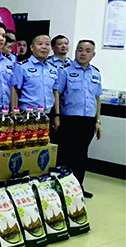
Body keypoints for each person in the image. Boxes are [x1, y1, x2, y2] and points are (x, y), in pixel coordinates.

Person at [53, 40, 102, 198]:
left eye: (87, 51)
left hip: (88, 120)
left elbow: (97, 98)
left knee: (81, 155)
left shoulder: (96, 73)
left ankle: (78, 187)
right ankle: (62, 189)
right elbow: (57, 93)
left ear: (93, 55)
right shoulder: (65, 71)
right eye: (80, 50)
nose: (83, 53)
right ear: (75, 51)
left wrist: (98, 121)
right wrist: (57, 116)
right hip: (69, 119)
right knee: (66, 154)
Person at [10, 34, 59, 113]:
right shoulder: (22, 66)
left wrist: (57, 114)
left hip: (48, 113)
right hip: (28, 113)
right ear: (32, 47)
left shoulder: (53, 68)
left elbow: (55, 92)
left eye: (47, 44)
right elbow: (15, 90)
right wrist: (14, 112)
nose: (44, 47)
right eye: (40, 44)